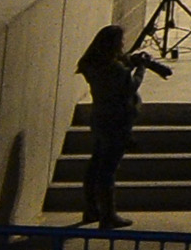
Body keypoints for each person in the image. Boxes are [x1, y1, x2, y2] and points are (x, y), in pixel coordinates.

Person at [73, 23, 170, 229]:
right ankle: (108, 216)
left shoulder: (92, 64)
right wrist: (142, 68)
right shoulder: (114, 69)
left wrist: (130, 62)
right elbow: (129, 86)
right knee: (108, 170)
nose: (123, 45)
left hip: (100, 118)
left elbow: (115, 77)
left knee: (95, 165)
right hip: (117, 122)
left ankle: (91, 209)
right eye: (120, 42)